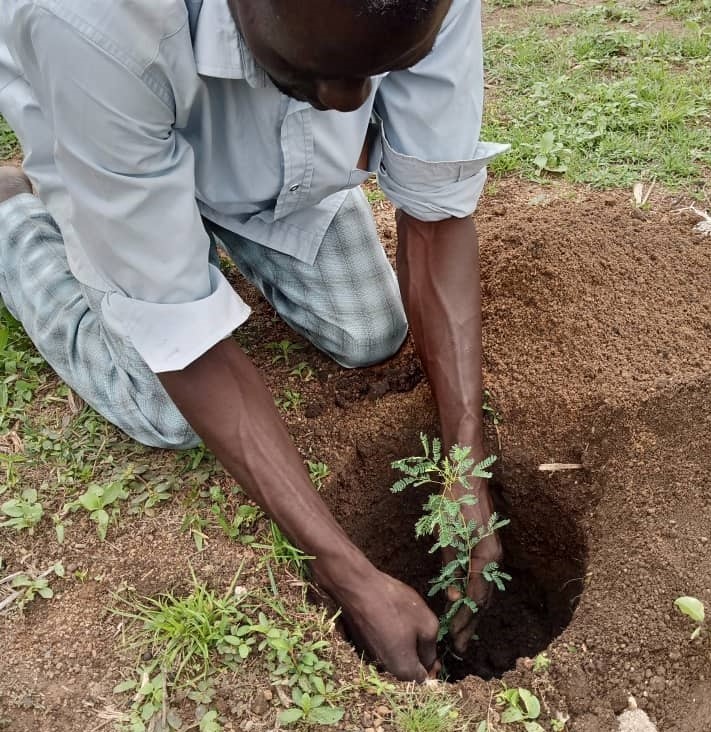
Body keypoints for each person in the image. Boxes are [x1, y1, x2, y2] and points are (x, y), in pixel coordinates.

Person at [0, 0, 509, 680]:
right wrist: (349, 576)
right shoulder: (87, 22)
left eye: (381, 69)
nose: (346, 103)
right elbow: (182, 339)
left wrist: (466, 469)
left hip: (274, 159)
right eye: (311, 70)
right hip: (104, 125)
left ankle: (219, 216)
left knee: (369, 330)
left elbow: (436, 207)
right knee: (164, 411)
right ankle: (14, 221)